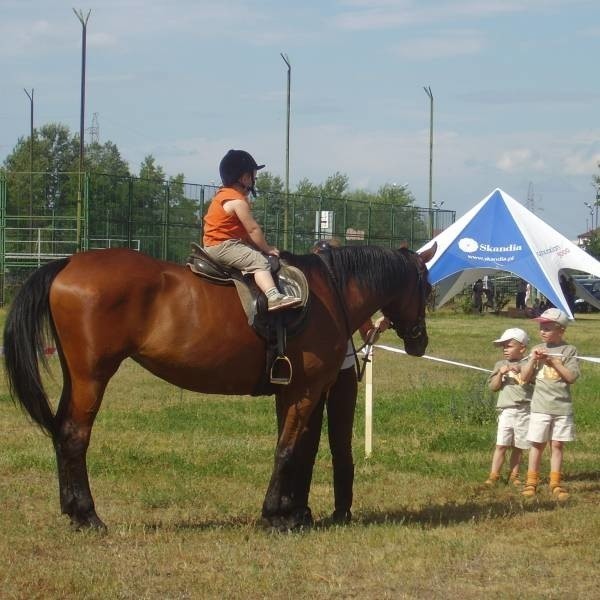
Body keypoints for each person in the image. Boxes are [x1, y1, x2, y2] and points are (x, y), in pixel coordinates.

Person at [203, 149, 301, 311]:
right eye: (253, 177)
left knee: (254, 254)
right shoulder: (238, 202)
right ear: (245, 178)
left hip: (216, 245)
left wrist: (256, 247)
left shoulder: (221, 196)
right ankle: (274, 297)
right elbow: (253, 230)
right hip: (225, 246)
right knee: (259, 261)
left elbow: (242, 234)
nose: (254, 181)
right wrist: (267, 248)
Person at [520, 308, 580, 501]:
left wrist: (555, 363)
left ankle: (555, 482)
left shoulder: (569, 351)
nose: (542, 331)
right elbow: (524, 377)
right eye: (541, 327)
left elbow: (571, 378)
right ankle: (532, 481)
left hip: (562, 408)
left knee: (557, 445)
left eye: (547, 327)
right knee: (537, 445)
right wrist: (533, 360)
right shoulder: (536, 348)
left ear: (561, 330)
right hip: (540, 407)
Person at [484, 328, 533, 487]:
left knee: (519, 446)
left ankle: (514, 475)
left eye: (509, 346)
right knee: (501, 444)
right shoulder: (500, 364)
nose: (505, 349)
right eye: (503, 346)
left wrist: (522, 370)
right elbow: (493, 387)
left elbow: (534, 380)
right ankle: (494, 475)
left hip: (525, 410)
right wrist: (500, 374)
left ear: (522, 348)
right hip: (506, 410)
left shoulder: (529, 364)